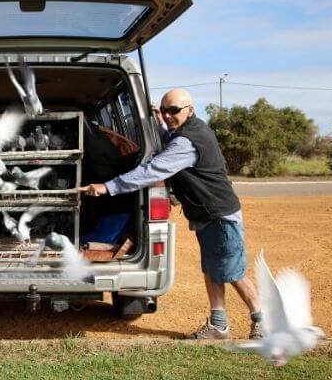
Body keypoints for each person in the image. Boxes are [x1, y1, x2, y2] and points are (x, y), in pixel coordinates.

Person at [78, 89, 262, 340]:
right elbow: (171, 141)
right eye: (164, 110)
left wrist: (108, 187)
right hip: (206, 214)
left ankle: (261, 320)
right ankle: (219, 325)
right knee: (213, 268)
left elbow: (153, 170)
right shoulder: (189, 132)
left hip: (219, 215)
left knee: (232, 271)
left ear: (190, 110)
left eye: (174, 110)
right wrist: (159, 124)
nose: (168, 115)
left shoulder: (187, 141)